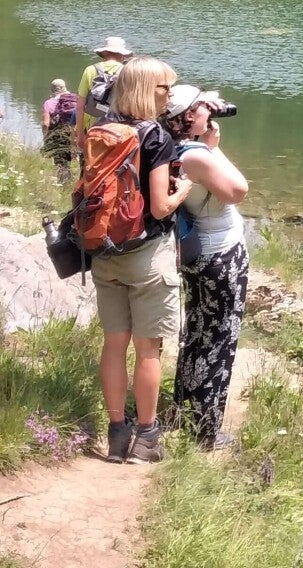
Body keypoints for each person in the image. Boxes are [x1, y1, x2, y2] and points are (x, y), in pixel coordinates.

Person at [88, 55, 191, 464]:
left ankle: (116, 435)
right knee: (149, 350)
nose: (170, 94)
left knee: (114, 345)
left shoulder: (101, 129)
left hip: (103, 251)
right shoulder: (156, 137)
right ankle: (146, 439)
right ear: (149, 91)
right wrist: (184, 189)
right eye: (166, 88)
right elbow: (162, 207)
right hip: (147, 255)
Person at [163, 85, 251, 450]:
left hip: (196, 255)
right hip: (220, 255)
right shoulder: (196, 155)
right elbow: (238, 190)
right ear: (187, 117)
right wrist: (216, 148)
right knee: (219, 339)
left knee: (197, 333)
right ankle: (206, 431)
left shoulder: (166, 144)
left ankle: (182, 410)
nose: (209, 114)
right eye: (202, 109)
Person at [75, 36, 133, 170]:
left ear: (104, 53)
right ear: (122, 55)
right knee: (112, 167)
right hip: (118, 127)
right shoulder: (127, 72)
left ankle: (85, 188)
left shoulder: (90, 70)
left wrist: (79, 134)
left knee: (88, 165)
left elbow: (79, 105)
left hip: (92, 127)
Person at [40, 77, 80, 182]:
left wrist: (46, 137)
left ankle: (63, 184)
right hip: (76, 134)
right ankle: (75, 184)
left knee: (61, 162)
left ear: (52, 89)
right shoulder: (76, 99)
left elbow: (45, 124)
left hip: (59, 135)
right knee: (77, 161)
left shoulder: (49, 103)